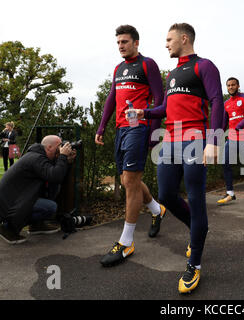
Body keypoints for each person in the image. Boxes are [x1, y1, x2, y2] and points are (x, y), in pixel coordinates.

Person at [136, 23, 224, 294]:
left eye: (169, 39)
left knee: (197, 201)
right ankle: (197, 230)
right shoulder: (173, 73)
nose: (166, 44)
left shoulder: (204, 66)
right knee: (166, 196)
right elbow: (166, 108)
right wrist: (145, 113)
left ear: (184, 38)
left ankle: (194, 263)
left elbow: (217, 100)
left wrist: (213, 141)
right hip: (170, 141)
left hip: (195, 139)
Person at [95, 25, 166, 267]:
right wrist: (101, 128)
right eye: (118, 42)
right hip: (121, 129)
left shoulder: (148, 64)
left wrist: (154, 133)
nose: (120, 46)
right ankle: (157, 210)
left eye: (124, 41)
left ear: (136, 42)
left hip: (139, 127)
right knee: (128, 180)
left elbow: (160, 100)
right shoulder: (119, 68)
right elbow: (112, 98)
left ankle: (126, 242)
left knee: (131, 182)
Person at [0, 135, 75, 244]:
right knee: (50, 207)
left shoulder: (40, 156)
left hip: (18, 198)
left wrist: (66, 161)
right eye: (59, 146)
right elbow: (55, 175)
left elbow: (54, 175)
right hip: (11, 204)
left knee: (55, 187)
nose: (61, 149)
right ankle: (8, 228)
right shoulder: (36, 158)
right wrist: (63, 157)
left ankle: (36, 225)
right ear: (49, 147)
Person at [217, 77, 244, 205]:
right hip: (232, 138)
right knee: (225, 163)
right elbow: (224, 123)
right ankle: (230, 193)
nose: (231, 87)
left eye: (233, 85)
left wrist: (240, 125)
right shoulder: (226, 103)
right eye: (228, 85)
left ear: (238, 85)